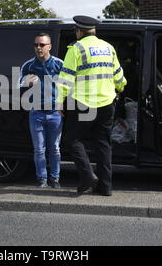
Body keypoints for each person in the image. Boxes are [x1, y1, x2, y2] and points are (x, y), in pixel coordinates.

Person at [56, 16, 127, 196]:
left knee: (72, 140)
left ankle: (87, 176)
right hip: (106, 103)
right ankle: (105, 187)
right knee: (103, 144)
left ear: (79, 31)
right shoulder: (108, 48)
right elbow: (119, 77)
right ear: (93, 30)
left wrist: (59, 101)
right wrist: (119, 88)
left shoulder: (76, 49)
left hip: (83, 104)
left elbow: (65, 79)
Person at [20, 33, 64, 188]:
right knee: (39, 149)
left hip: (55, 113)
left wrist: (64, 104)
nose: (38, 48)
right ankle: (42, 179)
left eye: (42, 45)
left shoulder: (59, 64)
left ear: (49, 46)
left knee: (55, 149)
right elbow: (19, 83)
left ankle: (55, 178)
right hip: (36, 113)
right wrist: (27, 83)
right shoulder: (28, 65)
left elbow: (69, 85)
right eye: (36, 45)